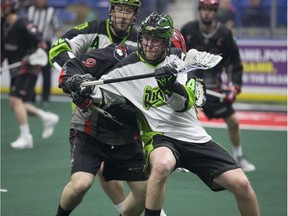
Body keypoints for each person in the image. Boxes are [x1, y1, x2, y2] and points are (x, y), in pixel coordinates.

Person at [69, 11, 260, 216]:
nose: (149, 44)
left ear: (167, 41)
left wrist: (169, 85)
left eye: (156, 40)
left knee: (242, 184)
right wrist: (82, 89)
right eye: (146, 38)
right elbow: (100, 95)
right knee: (161, 165)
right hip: (159, 137)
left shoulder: (182, 61)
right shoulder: (126, 67)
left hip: (194, 138)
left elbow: (184, 104)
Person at [49, 1, 169, 215]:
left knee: (132, 184)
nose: (123, 15)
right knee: (86, 180)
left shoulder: (142, 42)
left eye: (129, 10)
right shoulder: (92, 31)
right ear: (111, 11)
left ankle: (138, 208)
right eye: (120, 9)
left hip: (127, 123)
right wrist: (80, 80)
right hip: (91, 115)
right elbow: (59, 50)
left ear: (135, 15)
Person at [180, 0, 256, 172]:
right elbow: (177, 57)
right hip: (190, 86)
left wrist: (234, 87)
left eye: (210, 10)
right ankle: (182, 159)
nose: (207, 13)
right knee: (185, 121)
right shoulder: (188, 30)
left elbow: (234, 63)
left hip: (214, 89)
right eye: (204, 9)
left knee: (234, 121)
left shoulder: (225, 34)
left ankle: (239, 156)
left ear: (216, 12)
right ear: (200, 10)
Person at [1, 0, 59, 149]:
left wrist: (33, 54)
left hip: (29, 66)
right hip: (16, 66)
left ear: (8, 8)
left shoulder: (23, 24)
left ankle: (26, 137)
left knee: (15, 100)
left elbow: (41, 43)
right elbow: (3, 47)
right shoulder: (3, 24)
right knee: (17, 104)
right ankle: (46, 117)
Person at [25, 0, 62, 106]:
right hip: (32, 45)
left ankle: (45, 98)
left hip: (46, 44)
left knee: (46, 73)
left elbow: (57, 29)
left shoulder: (51, 11)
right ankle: (30, 97)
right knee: (31, 72)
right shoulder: (30, 10)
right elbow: (26, 26)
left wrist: (61, 46)